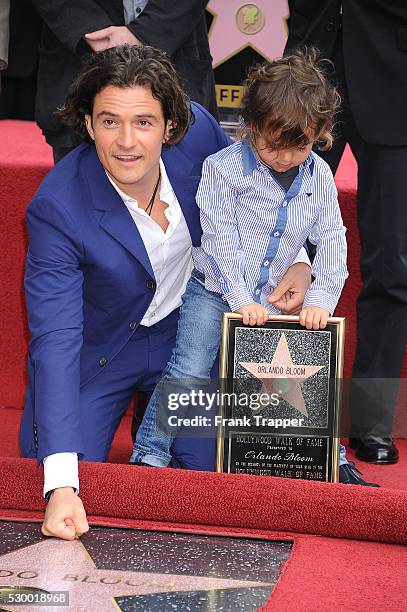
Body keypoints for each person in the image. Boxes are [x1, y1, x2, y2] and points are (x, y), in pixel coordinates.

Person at [20, 44, 313, 541]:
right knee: (62, 474)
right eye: (109, 122)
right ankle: (120, 420)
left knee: (204, 471)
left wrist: (300, 262)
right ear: (89, 125)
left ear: (171, 127)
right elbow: (56, 339)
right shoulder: (57, 209)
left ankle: (155, 410)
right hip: (103, 352)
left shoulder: (200, 136)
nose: (127, 142)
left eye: (144, 123)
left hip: (186, 341)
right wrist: (62, 483)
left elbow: (262, 194)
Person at [130, 50, 378, 489]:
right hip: (215, 289)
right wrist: (241, 297)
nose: (283, 157)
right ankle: (150, 453)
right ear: (250, 126)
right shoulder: (222, 170)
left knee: (303, 376)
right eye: (270, 144)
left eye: (297, 146)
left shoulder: (319, 176)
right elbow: (220, 239)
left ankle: (328, 456)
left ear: (320, 135)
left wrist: (320, 301)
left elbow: (333, 239)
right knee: (188, 367)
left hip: (275, 295)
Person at [285, 0, 406, 464]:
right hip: (308, 66)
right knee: (281, 246)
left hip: (395, 75)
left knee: (392, 262)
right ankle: (283, 412)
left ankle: (371, 422)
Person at [30, 0, 217, 162]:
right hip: (78, 58)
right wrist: (96, 30)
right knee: (80, 196)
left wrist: (144, 33)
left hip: (179, 55)